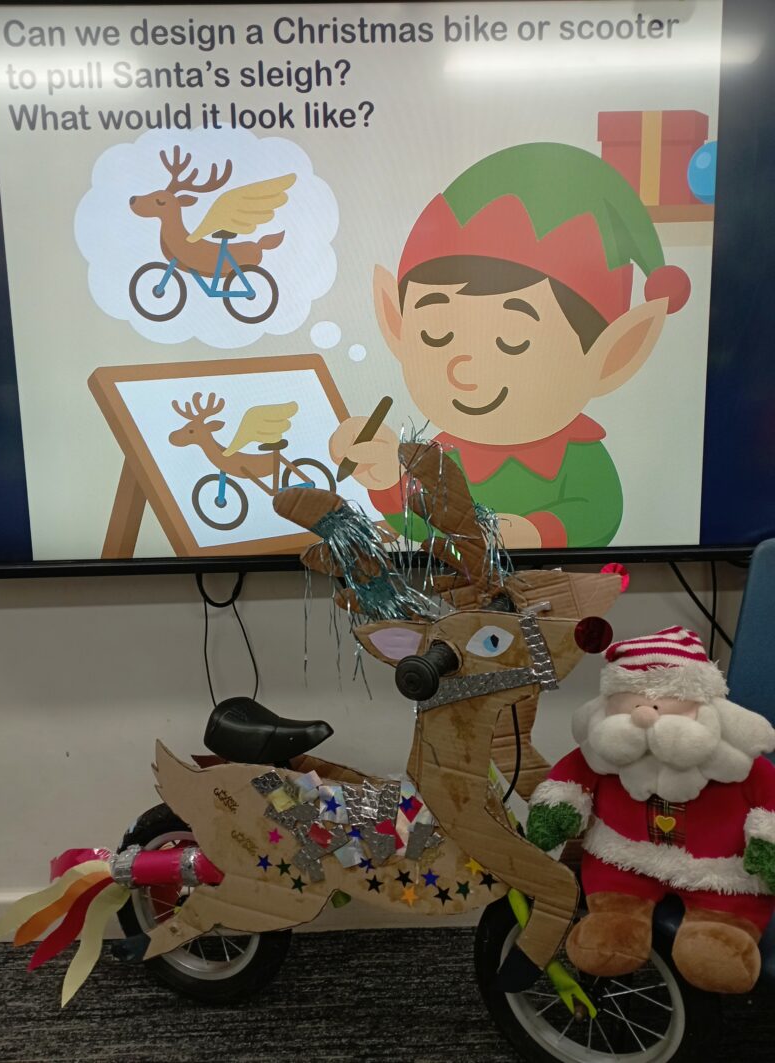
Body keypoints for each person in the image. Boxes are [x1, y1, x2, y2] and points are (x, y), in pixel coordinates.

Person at [330, 143, 690, 548]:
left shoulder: (578, 455)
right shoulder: (440, 457)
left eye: (513, 340)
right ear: (395, 323)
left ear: (615, 354)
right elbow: (428, 531)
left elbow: (599, 511)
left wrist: (537, 533)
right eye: (435, 333)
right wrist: (388, 482)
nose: (463, 368)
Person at [526, 626, 775, 993]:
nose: (644, 715)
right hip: (625, 860)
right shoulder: (603, 747)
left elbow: (769, 798)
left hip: (718, 872)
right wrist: (555, 811)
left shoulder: (734, 755)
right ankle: (616, 922)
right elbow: (570, 781)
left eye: (660, 702)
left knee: (717, 940)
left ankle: (719, 933)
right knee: (612, 917)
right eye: (632, 701)